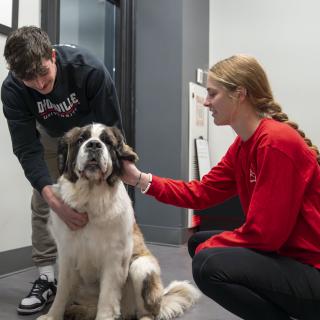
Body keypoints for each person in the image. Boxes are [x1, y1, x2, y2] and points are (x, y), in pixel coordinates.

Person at [122, 54, 320, 320]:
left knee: (208, 263)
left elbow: (266, 235)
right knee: (199, 244)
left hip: (311, 269)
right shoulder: (243, 146)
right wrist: (138, 178)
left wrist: (213, 248)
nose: (206, 102)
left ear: (240, 94)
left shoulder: (275, 142)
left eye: (213, 94)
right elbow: (201, 193)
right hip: (289, 257)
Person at [1, 26, 123, 315]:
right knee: (43, 201)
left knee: (105, 198)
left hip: (92, 134)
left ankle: (102, 271)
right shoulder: (13, 89)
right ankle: (46, 277)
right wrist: (54, 200)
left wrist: (116, 173)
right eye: (29, 79)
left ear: (52, 56)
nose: (39, 84)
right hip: (50, 136)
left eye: (43, 73)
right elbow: (26, 149)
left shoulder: (89, 69)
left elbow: (113, 130)